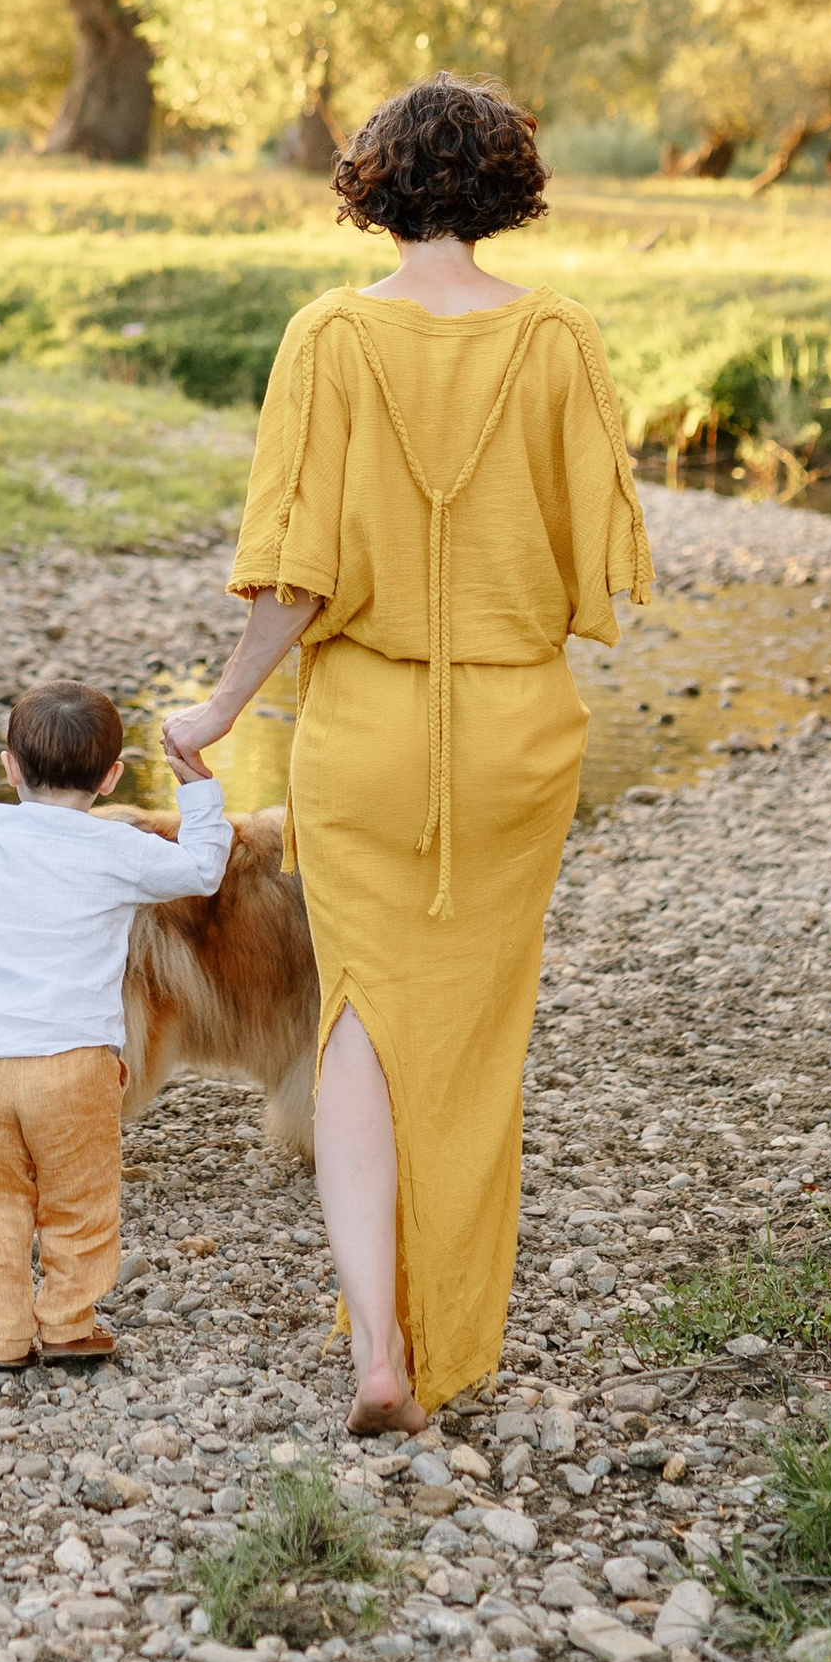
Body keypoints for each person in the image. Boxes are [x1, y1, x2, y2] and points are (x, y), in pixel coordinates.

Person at [161, 75, 648, 1435]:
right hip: (513, 729)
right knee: (475, 1036)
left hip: (366, 731)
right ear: (509, 187)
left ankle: (381, 1342)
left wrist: (214, 711)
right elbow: (591, 564)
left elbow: (296, 580)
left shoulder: (327, 337)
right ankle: (448, 1334)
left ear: (373, 181)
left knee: (361, 1020)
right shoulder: (560, 337)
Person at [0, 680, 232, 1372]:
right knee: (80, 1199)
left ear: (10, 766)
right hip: (76, 1066)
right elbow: (204, 870)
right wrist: (198, 786)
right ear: (111, 775)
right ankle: (66, 1322)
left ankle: (0, 1334)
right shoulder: (118, 845)